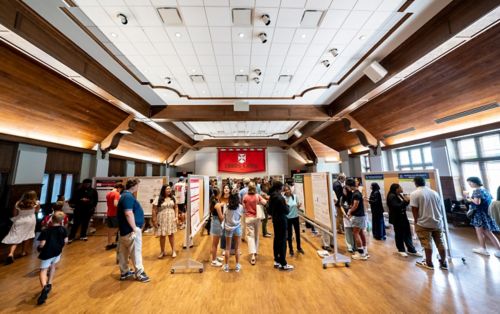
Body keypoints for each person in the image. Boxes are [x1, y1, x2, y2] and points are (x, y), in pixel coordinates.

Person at [410, 176, 448, 270]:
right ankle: (443, 262)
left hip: (423, 223)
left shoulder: (415, 193)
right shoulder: (434, 192)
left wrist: (416, 221)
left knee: (426, 243)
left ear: (415, 183)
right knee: (440, 242)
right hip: (437, 222)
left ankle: (429, 263)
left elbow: (414, 209)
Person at [117, 178, 150, 283]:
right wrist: (134, 228)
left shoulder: (123, 196)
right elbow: (128, 213)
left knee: (123, 252)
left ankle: (124, 271)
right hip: (130, 231)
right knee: (136, 252)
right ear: (134, 186)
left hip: (124, 231)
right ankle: (140, 273)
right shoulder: (128, 197)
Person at [36, 211, 68, 305]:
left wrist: (39, 247)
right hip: (57, 252)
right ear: (62, 220)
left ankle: (44, 288)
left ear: (51, 219)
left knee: (43, 270)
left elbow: (42, 244)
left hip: (47, 253)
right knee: (53, 266)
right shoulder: (63, 229)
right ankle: (49, 283)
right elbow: (65, 241)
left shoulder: (46, 230)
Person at [465, 177, 500, 258]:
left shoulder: (477, 190)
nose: (469, 185)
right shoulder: (485, 189)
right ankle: (498, 249)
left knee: (480, 232)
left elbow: (477, 202)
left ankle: (483, 249)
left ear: (475, 182)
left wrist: (468, 197)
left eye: (470, 183)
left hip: (479, 215)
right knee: (489, 232)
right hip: (486, 213)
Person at [2, 191, 40, 265]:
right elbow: (36, 211)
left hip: (19, 220)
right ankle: (23, 252)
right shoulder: (36, 203)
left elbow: (14, 214)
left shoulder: (18, 203)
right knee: (27, 236)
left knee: (15, 237)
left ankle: (11, 253)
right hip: (30, 221)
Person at [387, 184, 421, 257]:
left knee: (407, 232)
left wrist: (407, 200)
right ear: (396, 189)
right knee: (399, 234)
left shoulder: (399, 195)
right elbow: (396, 206)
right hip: (397, 218)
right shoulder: (391, 196)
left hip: (403, 217)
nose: (402, 188)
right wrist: (405, 201)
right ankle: (401, 250)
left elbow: (403, 204)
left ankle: (411, 249)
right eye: (400, 187)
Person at [269, 181, 293, 271]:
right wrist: (287, 205)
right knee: (283, 241)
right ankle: (283, 263)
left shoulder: (272, 196)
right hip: (282, 221)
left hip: (275, 220)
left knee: (276, 240)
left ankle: (277, 260)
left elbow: (269, 210)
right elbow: (287, 211)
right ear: (280, 188)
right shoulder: (280, 198)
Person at [243, 182, 267, 265]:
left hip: (249, 218)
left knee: (250, 236)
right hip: (257, 217)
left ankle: (252, 255)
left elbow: (243, 207)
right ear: (255, 188)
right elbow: (265, 202)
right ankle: (255, 251)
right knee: (256, 235)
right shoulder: (257, 196)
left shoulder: (245, 197)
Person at [152, 184, 178, 259]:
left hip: (171, 218)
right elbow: (154, 209)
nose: (169, 190)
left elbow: (176, 207)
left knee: (171, 234)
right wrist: (154, 220)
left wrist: (176, 216)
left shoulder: (173, 198)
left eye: (169, 189)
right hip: (162, 218)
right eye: (167, 189)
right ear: (163, 190)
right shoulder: (158, 198)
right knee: (162, 235)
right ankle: (162, 251)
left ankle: (173, 250)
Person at [346, 178, 369, 261]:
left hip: (358, 216)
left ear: (349, 186)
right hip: (361, 216)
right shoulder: (358, 192)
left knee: (356, 233)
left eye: (347, 187)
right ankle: (365, 251)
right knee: (361, 233)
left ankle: (361, 253)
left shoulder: (356, 194)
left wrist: (349, 212)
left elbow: (355, 205)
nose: (347, 188)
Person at [222, 191, 244, 272]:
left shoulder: (226, 206)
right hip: (237, 227)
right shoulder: (240, 207)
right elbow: (240, 216)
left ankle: (226, 266)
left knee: (227, 248)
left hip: (228, 228)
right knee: (237, 248)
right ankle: (237, 266)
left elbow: (224, 216)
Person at [284, 185, 304, 257]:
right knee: (289, 235)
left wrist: (299, 206)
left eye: (288, 190)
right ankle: (291, 249)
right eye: (285, 190)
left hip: (296, 217)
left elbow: (297, 206)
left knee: (297, 233)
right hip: (288, 218)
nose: (287, 191)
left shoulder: (295, 196)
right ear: (284, 191)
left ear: (290, 190)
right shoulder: (284, 198)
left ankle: (299, 247)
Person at [105, 183, 124, 250]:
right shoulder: (116, 194)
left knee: (110, 229)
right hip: (115, 214)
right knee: (117, 228)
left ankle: (109, 243)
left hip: (109, 213)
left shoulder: (108, 194)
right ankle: (117, 242)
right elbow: (115, 204)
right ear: (119, 188)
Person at [209, 187, 224, 267]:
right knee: (215, 244)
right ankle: (213, 261)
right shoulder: (217, 204)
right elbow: (221, 217)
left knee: (215, 243)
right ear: (218, 194)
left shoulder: (214, 201)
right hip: (217, 223)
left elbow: (219, 205)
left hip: (215, 222)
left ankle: (215, 257)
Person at [339, 186, 355, 252]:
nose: (343, 192)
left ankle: (355, 246)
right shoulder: (342, 198)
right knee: (347, 232)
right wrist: (344, 214)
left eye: (345, 191)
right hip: (345, 216)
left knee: (354, 231)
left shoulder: (352, 197)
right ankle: (349, 246)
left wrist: (350, 214)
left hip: (352, 216)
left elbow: (354, 206)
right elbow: (341, 206)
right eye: (343, 191)